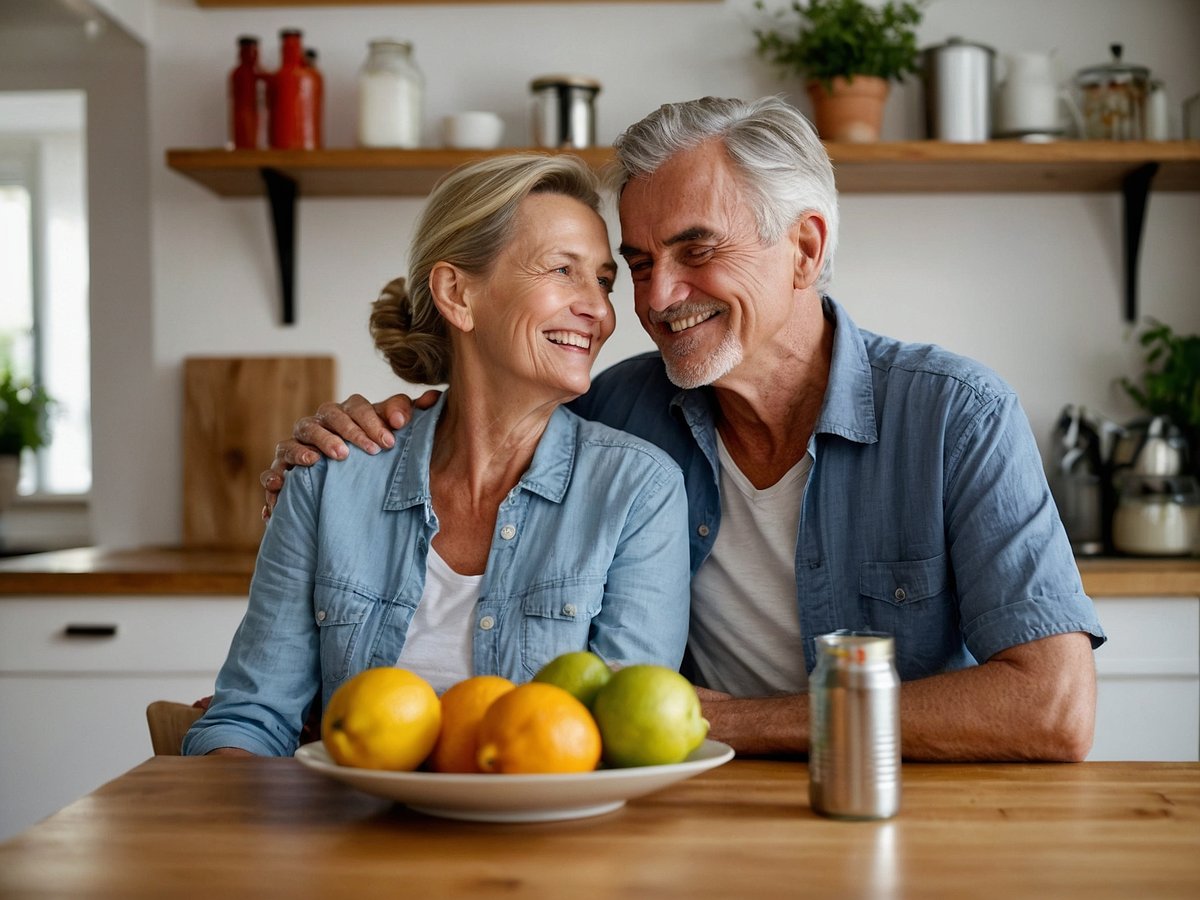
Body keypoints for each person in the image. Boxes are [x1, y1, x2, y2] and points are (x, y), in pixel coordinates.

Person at [263, 97, 1106, 762]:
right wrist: (359, 434)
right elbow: (487, 407)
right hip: (691, 817)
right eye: (636, 262)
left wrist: (747, 721)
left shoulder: (954, 414)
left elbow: (1053, 707)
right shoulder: (614, 411)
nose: (656, 298)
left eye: (696, 250)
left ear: (805, 249)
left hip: (901, 807)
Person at [184, 154, 691, 757]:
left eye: (603, 281)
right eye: (563, 270)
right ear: (457, 293)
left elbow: (625, 741)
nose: (599, 309)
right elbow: (249, 717)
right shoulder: (330, 476)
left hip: (549, 841)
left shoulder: (637, 488)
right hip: (349, 838)